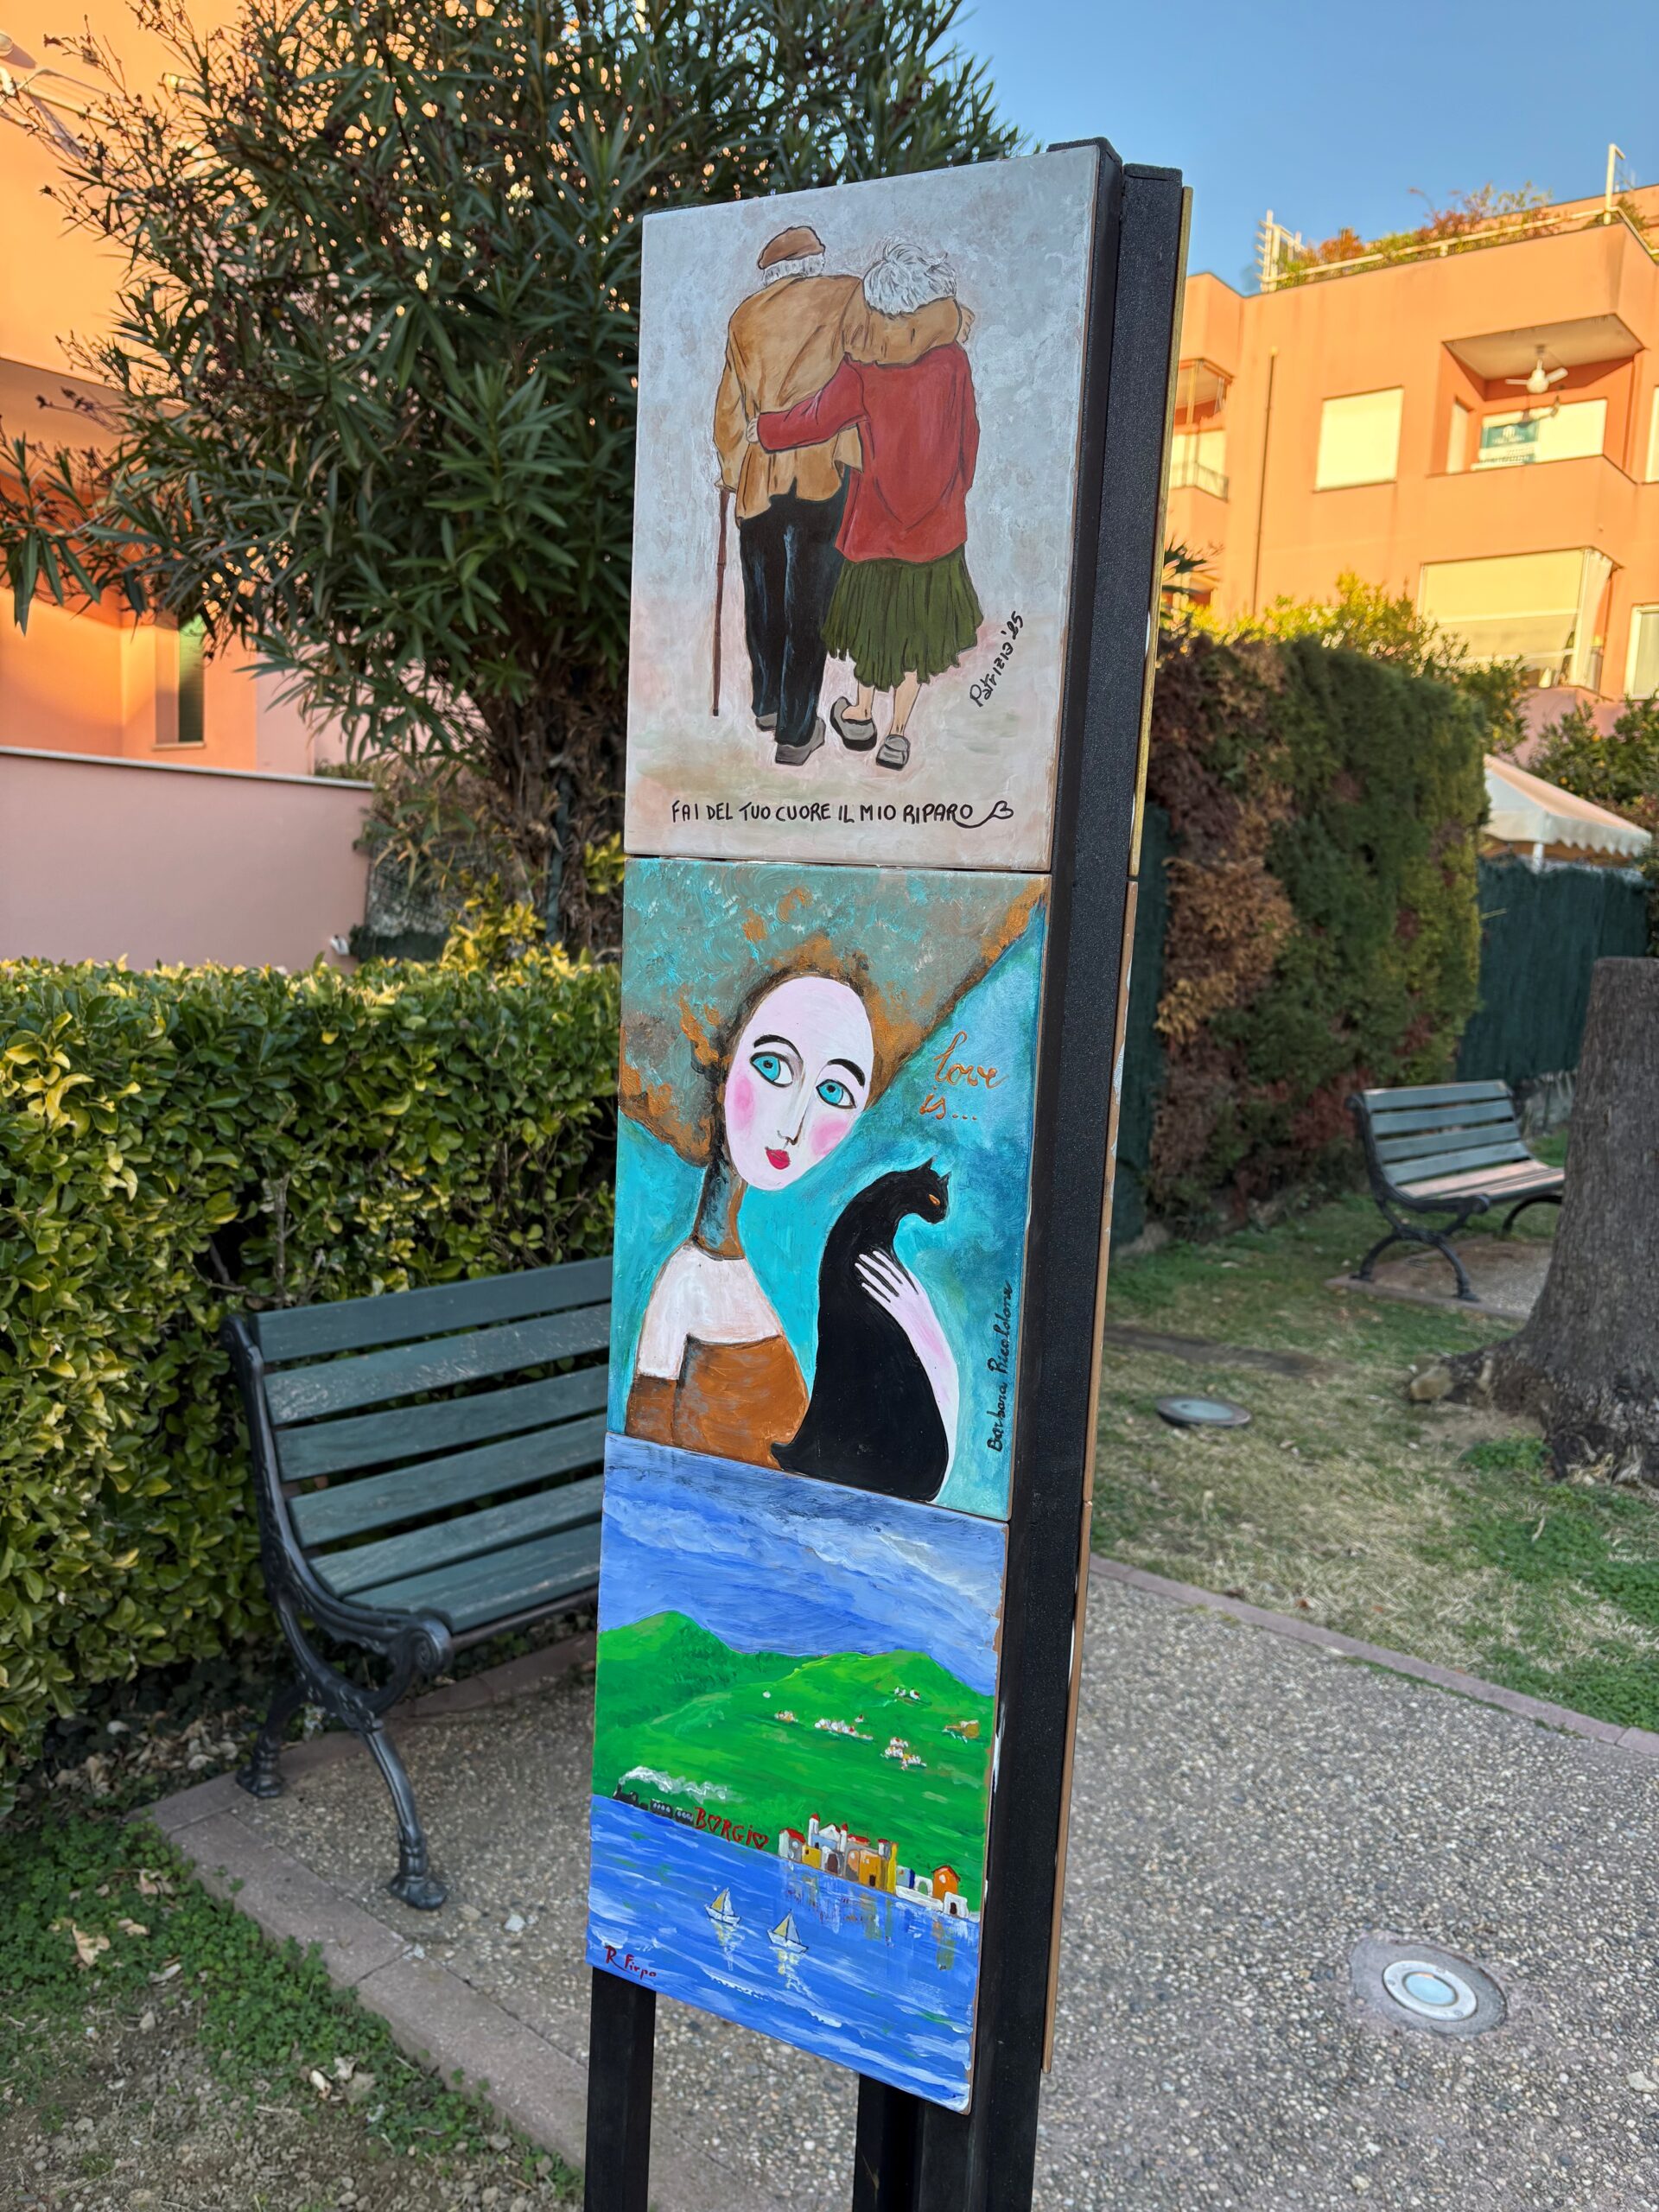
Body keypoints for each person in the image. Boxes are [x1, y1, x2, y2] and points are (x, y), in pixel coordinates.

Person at [713, 228, 965, 768]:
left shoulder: (743, 319)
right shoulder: (850, 294)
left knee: (763, 598)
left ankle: (768, 704)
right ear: (815, 262)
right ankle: (797, 732)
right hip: (825, 475)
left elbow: (730, 411)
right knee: (809, 607)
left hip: (760, 475)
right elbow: (894, 355)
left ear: (771, 274)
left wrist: (733, 470)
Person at [625, 969, 875, 1465]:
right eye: (773, 1067)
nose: (793, 1126)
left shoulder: (758, 1279)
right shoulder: (683, 1284)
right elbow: (646, 1452)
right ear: (721, 1068)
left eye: (833, 1093)